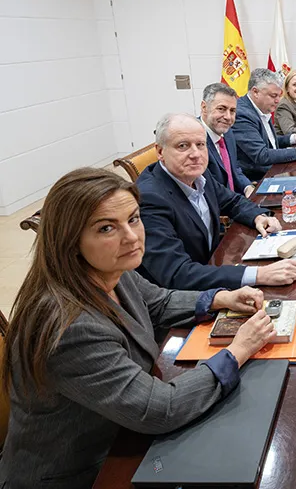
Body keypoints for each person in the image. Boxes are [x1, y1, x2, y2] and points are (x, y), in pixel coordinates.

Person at [0, 168, 279, 488]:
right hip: (82, 471)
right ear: (70, 240)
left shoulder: (108, 268)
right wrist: (239, 349)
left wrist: (221, 298)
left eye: (133, 219)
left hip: (121, 432)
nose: (131, 237)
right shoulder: (70, 328)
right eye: (106, 228)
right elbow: (159, 409)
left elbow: (157, 302)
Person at [137, 112, 296, 291]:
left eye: (200, 145)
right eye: (183, 146)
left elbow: (231, 201)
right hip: (182, 296)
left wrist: (258, 217)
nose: (195, 154)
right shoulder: (150, 199)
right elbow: (178, 274)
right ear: (160, 152)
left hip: (211, 268)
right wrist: (258, 274)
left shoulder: (199, 173)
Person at [232, 68, 296, 181]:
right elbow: (262, 155)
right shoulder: (242, 114)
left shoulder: (261, 108)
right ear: (255, 92)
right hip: (257, 180)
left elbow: (269, 143)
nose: (278, 100)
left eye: (279, 95)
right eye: (273, 96)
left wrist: (294, 139)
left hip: (274, 171)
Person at [200, 82, 254, 196]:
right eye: (221, 109)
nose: (228, 117)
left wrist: (247, 187)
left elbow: (234, 168)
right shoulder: (195, 140)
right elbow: (209, 191)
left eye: (232, 111)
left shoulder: (227, 132)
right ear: (204, 107)